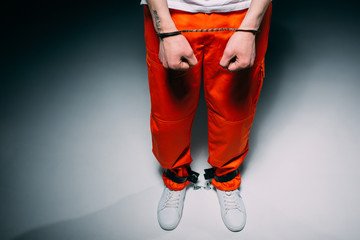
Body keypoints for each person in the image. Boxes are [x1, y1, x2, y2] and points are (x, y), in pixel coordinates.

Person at [140, 0, 272, 232]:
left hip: (242, 11)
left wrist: (251, 26)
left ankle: (226, 179)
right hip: (171, 10)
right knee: (169, 110)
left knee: (235, 112)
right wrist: (166, 30)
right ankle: (175, 178)